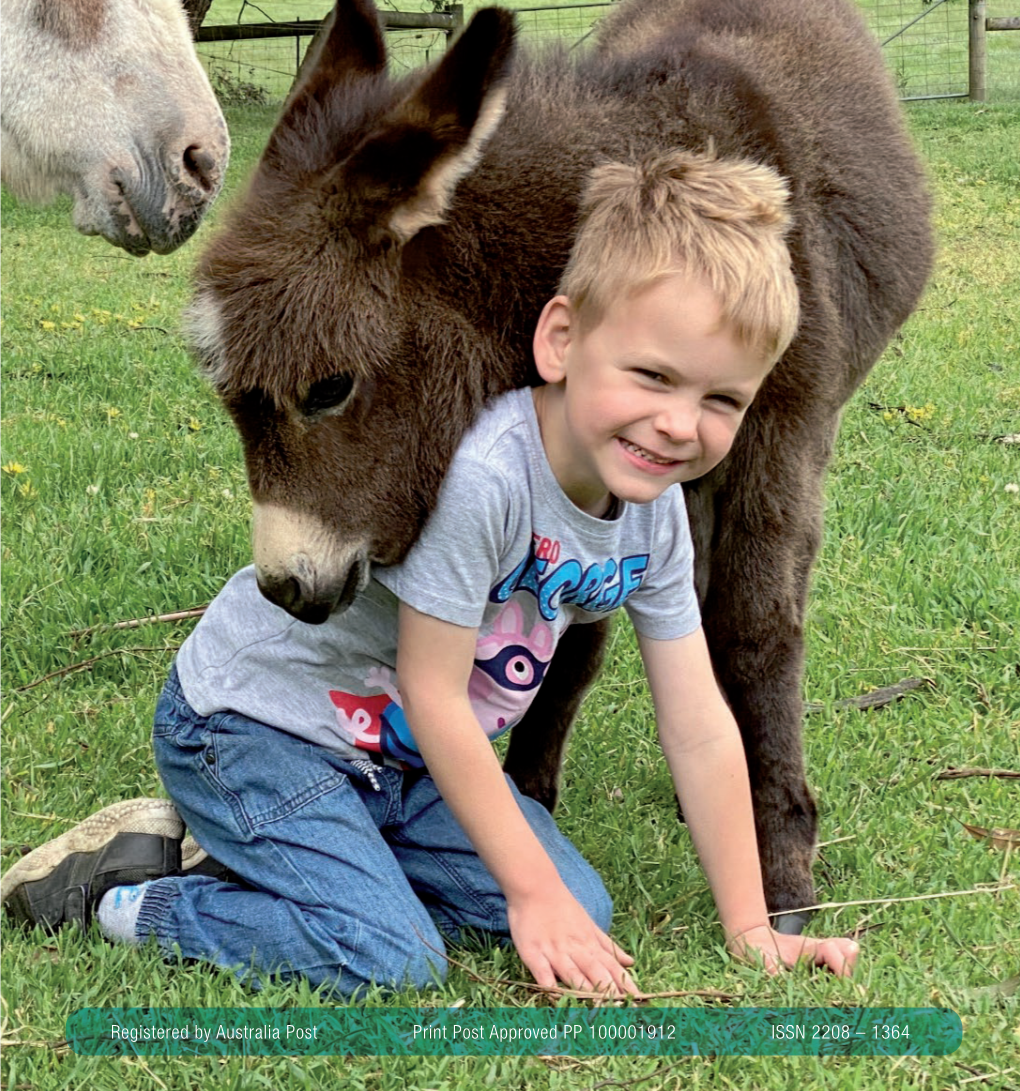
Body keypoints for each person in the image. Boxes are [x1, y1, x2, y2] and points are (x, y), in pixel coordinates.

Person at [1, 149, 859, 996]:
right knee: (390, 955)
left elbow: (699, 723)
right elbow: (438, 694)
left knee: (582, 908)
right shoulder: (487, 477)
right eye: (653, 376)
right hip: (257, 728)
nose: (679, 425)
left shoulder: (656, 514)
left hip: (396, 766)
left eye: (722, 400)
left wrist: (752, 931)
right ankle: (120, 899)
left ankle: (297, 856)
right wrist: (528, 893)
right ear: (561, 339)